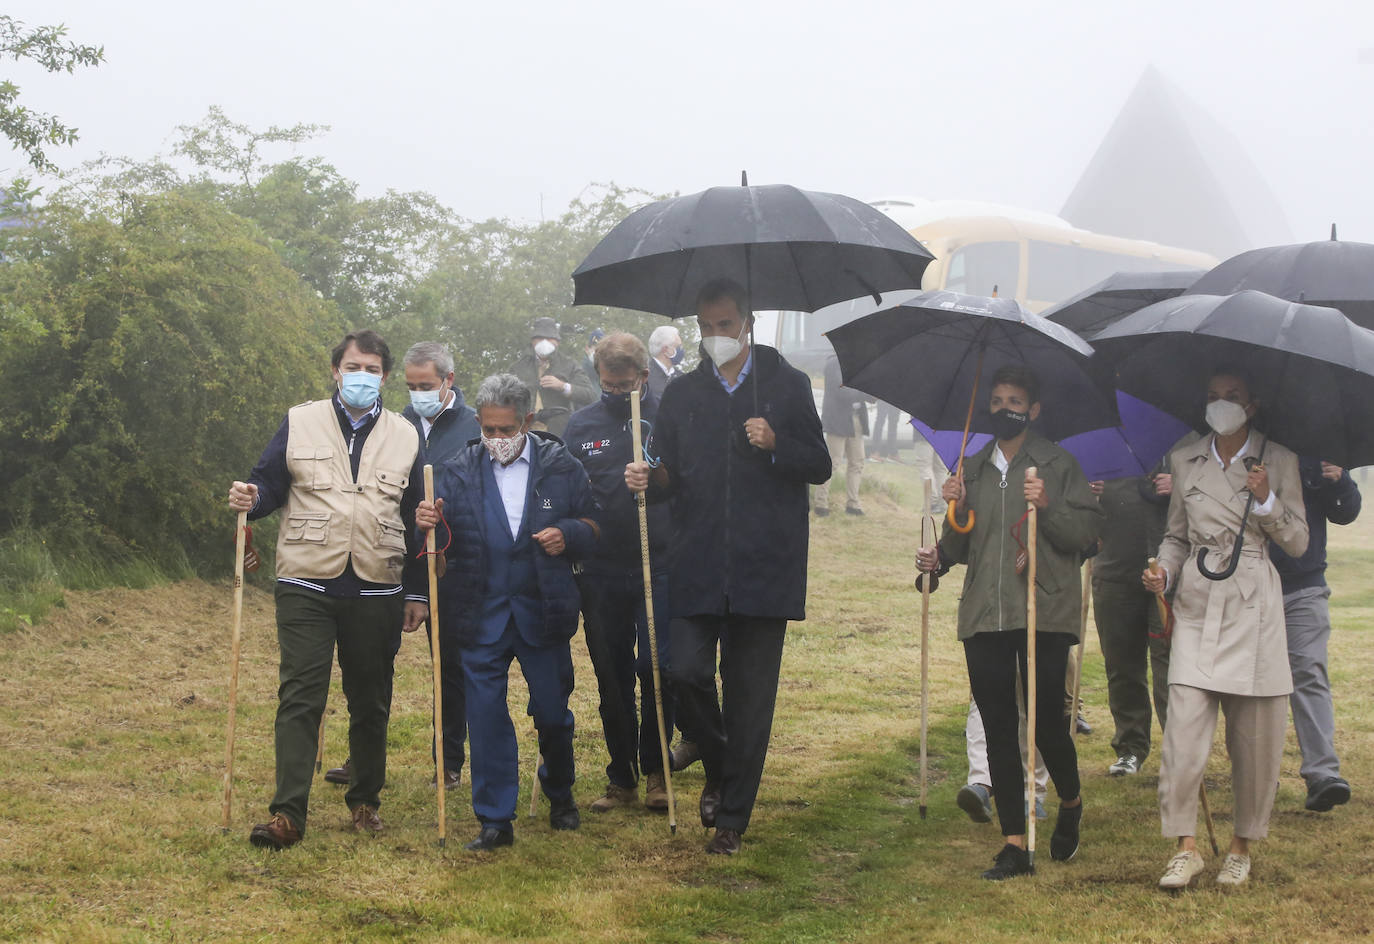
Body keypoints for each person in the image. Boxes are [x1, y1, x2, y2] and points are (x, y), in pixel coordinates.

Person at [624, 278, 831, 856]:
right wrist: (648, 477)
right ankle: (716, 761)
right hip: (696, 559)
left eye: (725, 324)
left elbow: (819, 464)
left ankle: (731, 818)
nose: (715, 335)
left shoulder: (785, 385)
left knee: (750, 698)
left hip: (766, 567)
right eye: (706, 326)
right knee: (683, 670)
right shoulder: (685, 394)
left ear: (748, 323)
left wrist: (775, 443)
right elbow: (667, 474)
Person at [228, 329, 428, 850]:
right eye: (351, 366)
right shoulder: (299, 420)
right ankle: (287, 814)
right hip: (304, 580)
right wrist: (251, 495)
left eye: (371, 368)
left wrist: (417, 591)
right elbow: (268, 484)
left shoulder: (407, 434)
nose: (361, 375)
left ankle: (365, 801)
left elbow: (416, 517)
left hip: (378, 584)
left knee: (370, 698)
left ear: (383, 376)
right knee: (300, 695)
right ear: (335, 370)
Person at [916, 365, 1099, 880]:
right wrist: (949, 522)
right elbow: (959, 543)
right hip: (984, 613)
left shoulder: (1058, 464)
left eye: (1014, 399)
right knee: (998, 723)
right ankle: (1014, 844)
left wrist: (1050, 506)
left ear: (1034, 409)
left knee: (1043, 724)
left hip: (1044, 608)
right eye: (995, 400)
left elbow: (1085, 536)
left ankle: (1070, 800)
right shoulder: (970, 467)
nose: (1003, 408)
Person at [416, 373, 600, 852]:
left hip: (543, 611)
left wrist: (569, 534)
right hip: (480, 613)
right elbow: (438, 546)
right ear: (479, 423)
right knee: (485, 717)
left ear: (528, 421)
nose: (498, 439)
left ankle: (560, 793)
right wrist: (428, 526)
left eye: (507, 429)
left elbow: (594, 524)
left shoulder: (563, 467)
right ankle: (495, 818)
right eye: (489, 430)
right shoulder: (455, 471)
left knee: (553, 715)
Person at [1144, 368, 1307, 889]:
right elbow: (1175, 536)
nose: (1221, 405)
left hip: (1253, 602)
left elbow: (1299, 542)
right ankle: (1185, 846)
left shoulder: (1279, 460)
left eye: (1231, 397)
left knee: (1255, 738)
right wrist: (1164, 571)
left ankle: (1241, 847)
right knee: (1183, 733)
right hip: (1196, 599)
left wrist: (1265, 500)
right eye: (1213, 396)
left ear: (1252, 405)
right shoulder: (1184, 458)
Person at [325, 341, 480, 790]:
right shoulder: (394, 426)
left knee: (448, 665)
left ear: (448, 381)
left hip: (454, 565)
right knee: (372, 662)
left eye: (426, 385)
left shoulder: (473, 427)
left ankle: (448, 761)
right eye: (411, 386)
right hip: (389, 559)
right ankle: (364, 758)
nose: (417, 394)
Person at [564, 332, 674, 814]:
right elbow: (565, 492)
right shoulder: (580, 425)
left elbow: (689, 484)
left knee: (656, 670)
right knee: (611, 676)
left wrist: (658, 477)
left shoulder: (667, 421)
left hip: (659, 563)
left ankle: (658, 774)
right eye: (607, 385)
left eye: (624, 385)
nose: (614, 392)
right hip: (601, 570)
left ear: (643, 377)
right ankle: (621, 777)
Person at [1271, 457, 1360, 812]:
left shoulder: (1318, 449)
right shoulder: (1242, 447)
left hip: (1304, 585)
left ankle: (1323, 774)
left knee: (1308, 672)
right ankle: (1259, 776)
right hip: (1247, 586)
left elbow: (1345, 512)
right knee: (1250, 685)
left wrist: (1339, 480)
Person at [1089, 475, 1171, 777]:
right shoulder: (1103, 447)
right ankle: (1130, 748)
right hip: (1114, 569)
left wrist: (1180, 486)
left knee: (1171, 667)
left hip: (1169, 573)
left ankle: (1180, 750)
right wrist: (1089, 495)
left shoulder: (1181, 443)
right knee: (1122, 666)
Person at [509, 317, 597, 438]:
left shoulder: (569, 365)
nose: (544, 342)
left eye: (549, 338)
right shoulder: (518, 367)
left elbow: (590, 396)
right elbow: (505, 400)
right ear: (532, 340)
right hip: (525, 433)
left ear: (557, 342)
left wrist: (563, 386)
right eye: (540, 338)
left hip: (559, 433)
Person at [813, 351, 871, 517]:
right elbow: (843, 391)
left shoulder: (856, 365)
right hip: (838, 421)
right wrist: (865, 391)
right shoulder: (833, 364)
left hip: (856, 420)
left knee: (857, 463)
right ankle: (821, 503)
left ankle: (853, 503)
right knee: (833, 462)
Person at [647, 324, 685, 400]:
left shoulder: (683, 378)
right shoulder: (645, 377)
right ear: (665, 350)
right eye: (678, 346)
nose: (682, 350)